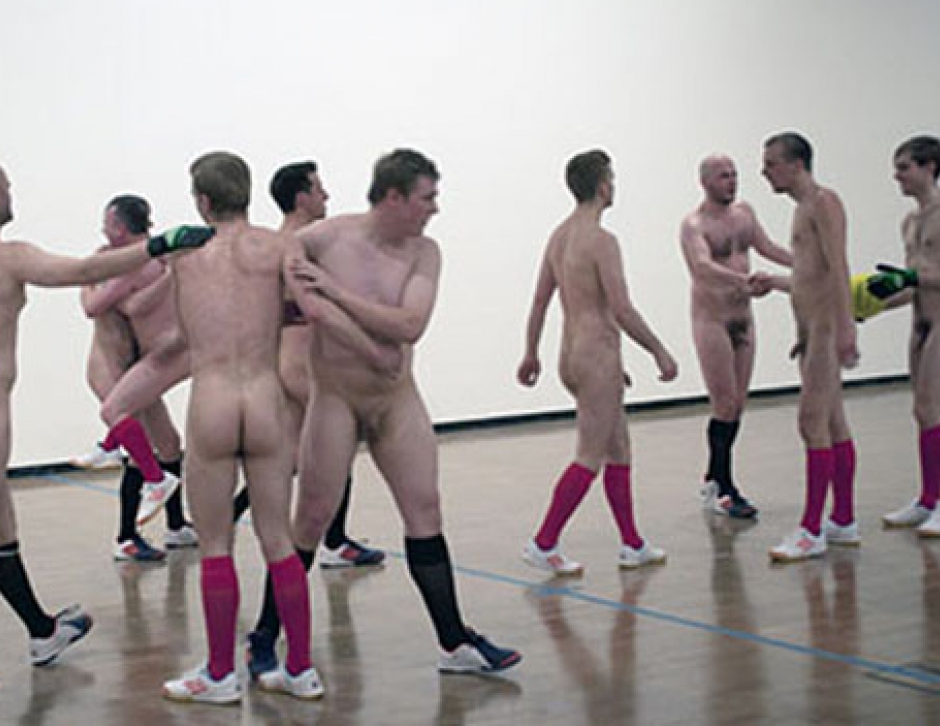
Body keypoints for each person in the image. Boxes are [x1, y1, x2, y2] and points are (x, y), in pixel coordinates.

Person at [0, 159, 212, 706]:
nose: (12, 196)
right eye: (8, 189)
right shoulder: (10, 256)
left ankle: (42, 630)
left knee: (0, 530)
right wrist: (160, 245)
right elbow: (83, 271)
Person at [247, 149, 521, 679]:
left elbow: (410, 324)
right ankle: (263, 634)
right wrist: (329, 308)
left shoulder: (425, 252)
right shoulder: (325, 239)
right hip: (335, 399)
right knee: (310, 520)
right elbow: (296, 283)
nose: (434, 208)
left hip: (396, 400)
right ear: (394, 197)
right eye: (427, 198)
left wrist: (335, 291)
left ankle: (454, 642)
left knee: (425, 512)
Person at [161, 152, 326, 704]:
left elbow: (182, 329)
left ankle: (218, 674)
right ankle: (299, 668)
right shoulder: (279, 247)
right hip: (264, 399)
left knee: (215, 544)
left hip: (211, 400)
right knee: (278, 539)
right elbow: (306, 309)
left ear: (203, 201)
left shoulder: (183, 256)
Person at [517, 149, 678, 577]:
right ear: (603, 186)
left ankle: (632, 543)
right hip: (596, 355)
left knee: (618, 447)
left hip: (571, 354)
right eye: (612, 179)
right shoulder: (602, 242)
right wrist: (658, 350)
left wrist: (531, 352)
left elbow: (540, 301)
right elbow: (621, 309)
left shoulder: (559, 236)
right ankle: (544, 541)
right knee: (590, 455)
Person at [232, 161, 384, 567]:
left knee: (295, 455)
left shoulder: (277, 244)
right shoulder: (297, 247)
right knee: (337, 446)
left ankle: (233, 511)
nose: (326, 196)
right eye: (319, 189)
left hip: (288, 362)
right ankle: (334, 542)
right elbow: (313, 308)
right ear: (301, 198)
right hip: (302, 366)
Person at [750, 132, 861, 562]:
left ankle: (811, 529)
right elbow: (810, 274)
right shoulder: (802, 210)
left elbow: (838, 266)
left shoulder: (823, 203)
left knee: (811, 422)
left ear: (796, 164)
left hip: (825, 329)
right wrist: (775, 283)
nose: (764, 172)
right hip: (812, 330)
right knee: (833, 423)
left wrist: (845, 328)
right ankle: (843, 519)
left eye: (771, 164)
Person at [76, 195, 197, 562]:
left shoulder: (143, 261)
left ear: (121, 227)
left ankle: (175, 525)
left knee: (169, 443)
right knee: (136, 443)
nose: (102, 229)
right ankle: (126, 537)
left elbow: (118, 303)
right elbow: (98, 307)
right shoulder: (123, 261)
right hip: (109, 364)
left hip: (135, 363)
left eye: (107, 222)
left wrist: (89, 274)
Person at [679, 154, 793, 520]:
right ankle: (725, 488)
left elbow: (766, 246)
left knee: (737, 405)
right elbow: (702, 267)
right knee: (724, 404)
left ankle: (713, 478)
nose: (731, 181)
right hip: (712, 319)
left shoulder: (744, 214)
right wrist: (745, 281)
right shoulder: (694, 225)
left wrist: (805, 262)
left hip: (743, 318)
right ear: (705, 182)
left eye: (734, 175)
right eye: (723, 176)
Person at [872, 136, 940, 536]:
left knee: (931, 409)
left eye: (904, 167)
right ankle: (929, 498)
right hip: (922, 322)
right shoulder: (910, 221)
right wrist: (873, 304)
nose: (896, 176)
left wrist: (912, 277)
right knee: (923, 411)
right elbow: (912, 285)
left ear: (929, 167)